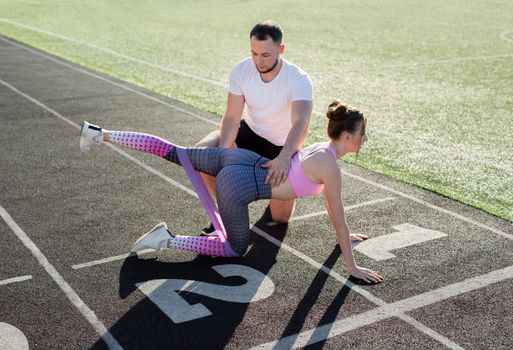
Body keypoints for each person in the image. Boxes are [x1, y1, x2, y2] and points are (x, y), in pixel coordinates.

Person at [79, 100, 383, 283]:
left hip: (239, 159)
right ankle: (168, 239)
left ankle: (100, 134)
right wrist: (352, 267)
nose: (364, 139)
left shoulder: (322, 148)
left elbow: (335, 214)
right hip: (239, 185)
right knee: (234, 249)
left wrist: (346, 235)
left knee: (174, 151)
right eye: (362, 134)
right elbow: (339, 219)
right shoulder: (330, 167)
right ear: (347, 136)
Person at [196, 20, 313, 234]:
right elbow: (232, 116)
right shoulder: (241, 70)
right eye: (254, 53)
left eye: (266, 55)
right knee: (203, 154)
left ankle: (281, 192)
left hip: (280, 146)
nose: (258, 60)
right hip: (249, 134)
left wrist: (285, 156)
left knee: (279, 219)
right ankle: (228, 212)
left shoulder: (299, 79)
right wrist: (222, 151)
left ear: (281, 49)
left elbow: (301, 122)